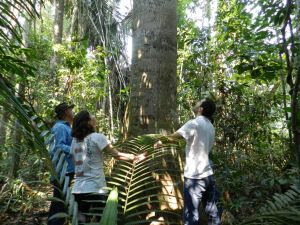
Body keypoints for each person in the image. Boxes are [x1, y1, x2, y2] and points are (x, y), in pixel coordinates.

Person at [71, 110, 145, 224]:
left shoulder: (74, 141)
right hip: (96, 188)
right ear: (88, 122)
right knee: (102, 221)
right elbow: (116, 154)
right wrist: (134, 157)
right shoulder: (97, 137)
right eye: (92, 115)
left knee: (82, 222)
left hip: (78, 190)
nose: (94, 116)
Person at [155, 98, 221, 225]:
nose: (196, 103)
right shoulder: (210, 126)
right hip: (208, 174)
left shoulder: (194, 123)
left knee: (191, 216)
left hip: (195, 177)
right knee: (212, 213)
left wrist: (161, 141)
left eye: (198, 103)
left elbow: (176, 136)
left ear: (201, 109)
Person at [48, 102, 75, 225]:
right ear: (65, 113)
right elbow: (58, 147)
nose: (73, 112)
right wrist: (75, 150)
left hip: (67, 169)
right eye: (70, 110)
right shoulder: (60, 127)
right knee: (59, 202)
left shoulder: (66, 126)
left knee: (60, 200)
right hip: (61, 170)